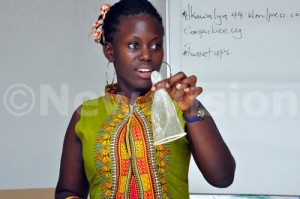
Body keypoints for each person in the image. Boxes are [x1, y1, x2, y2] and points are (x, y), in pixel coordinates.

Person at [55, 0, 236, 198]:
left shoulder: (181, 106)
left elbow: (223, 178)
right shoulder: (85, 115)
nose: (147, 55)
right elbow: (67, 191)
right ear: (110, 51)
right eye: (134, 45)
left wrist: (192, 110)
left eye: (156, 45)